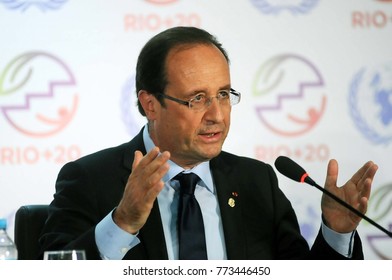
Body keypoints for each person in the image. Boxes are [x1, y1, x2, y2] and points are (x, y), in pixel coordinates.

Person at [38, 26, 378, 260]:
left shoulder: (255, 181)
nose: (217, 114)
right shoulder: (90, 179)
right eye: (197, 98)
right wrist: (122, 222)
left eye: (224, 95)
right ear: (150, 103)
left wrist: (335, 231)